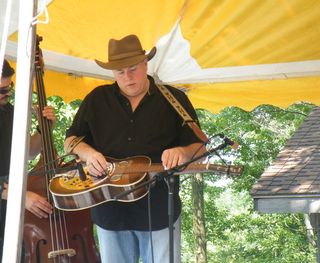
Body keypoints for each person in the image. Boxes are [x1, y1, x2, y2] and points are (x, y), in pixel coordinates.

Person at [64, 34, 207, 263]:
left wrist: (183, 152)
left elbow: (200, 146)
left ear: (145, 63)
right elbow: (70, 141)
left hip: (159, 209)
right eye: (120, 72)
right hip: (108, 208)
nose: (127, 77)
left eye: (133, 69)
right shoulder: (96, 99)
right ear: (112, 73)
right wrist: (89, 154)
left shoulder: (174, 99)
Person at [0, 59, 55, 260]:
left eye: (10, 87)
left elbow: (28, 153)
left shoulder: (10, 112)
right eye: (1, 90)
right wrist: (20, 196)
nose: (8, 93)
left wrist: (43, 130)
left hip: (12, 214)